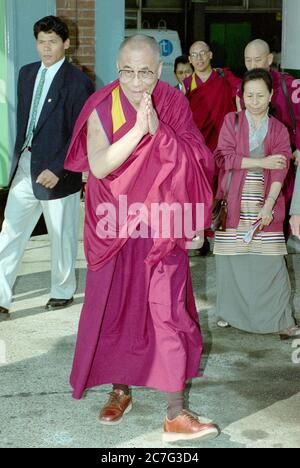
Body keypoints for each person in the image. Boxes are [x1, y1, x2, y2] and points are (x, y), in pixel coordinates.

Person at [65, 34, 218, 443]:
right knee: (117, 309)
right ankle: (120, 389)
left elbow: (197, 156)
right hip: (114, 226)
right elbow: (98, 166)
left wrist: (159, 130)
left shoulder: (171, 101)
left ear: (160, 70)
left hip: (162, 226)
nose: (135, 82)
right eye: (127, 72)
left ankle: (175, 411)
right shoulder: (101, 105)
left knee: (167, 312)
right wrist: (140, 133)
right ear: (117, 70)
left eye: (145, 72)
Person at [0, 16, 94, 321]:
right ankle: (1, 297)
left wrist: (58, 167)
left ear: (66, 43)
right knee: (10, 233)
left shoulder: (78, 81)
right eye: (42, 41)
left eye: (53, 42)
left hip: (57, 171)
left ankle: (62, 291)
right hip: (26, 166)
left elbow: (81, 132)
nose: (46, 48)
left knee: (61, 235)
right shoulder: (27, 74)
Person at [214, 68, 299, 340]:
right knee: (233, 262)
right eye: (249, 95)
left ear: (271, 95)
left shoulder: (278, 129)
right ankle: (230, 312)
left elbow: (280, 169)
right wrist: (261, 161)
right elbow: (223, 158)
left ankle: (282, 319)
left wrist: (269, 205)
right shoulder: (232, 121)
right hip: (234, 202)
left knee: (272, 264)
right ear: (242, 96)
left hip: (265, 204)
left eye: (260, 95)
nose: (254, 100)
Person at [241, 39, 300, 233]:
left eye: (257, 60)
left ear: (269, 59)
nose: (252, 66)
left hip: (288, 164)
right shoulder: (242, 90)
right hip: (258, 167)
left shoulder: (289, 86)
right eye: (247, 60)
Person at [183, 41, 241, 153]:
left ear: (210, 55)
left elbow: (243, 89)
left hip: (225, 139)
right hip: (199, 141)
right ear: (190, 59)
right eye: (194, 55)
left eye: (202, 53)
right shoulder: (187, 84)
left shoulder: (224, 76)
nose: (199, 58)